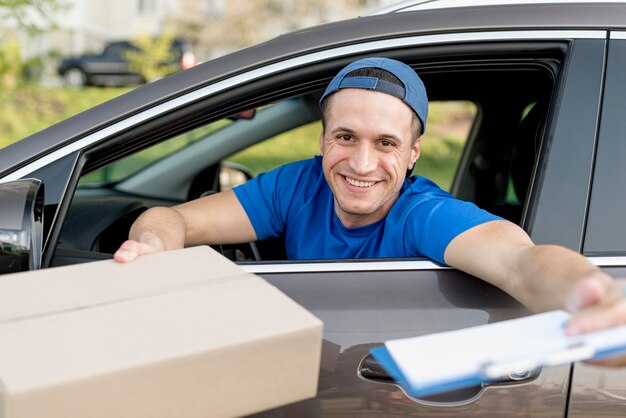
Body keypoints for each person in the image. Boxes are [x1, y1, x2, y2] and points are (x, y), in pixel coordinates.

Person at [115, 57, 626, 366]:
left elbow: (521, 261)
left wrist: (593, 293)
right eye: (345, 137)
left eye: (386, 143)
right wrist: (155, 248)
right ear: (322, 139)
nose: (361, 164)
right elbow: (178, 219)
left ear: (412, 153)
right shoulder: (297, 185)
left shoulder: (421, 213)